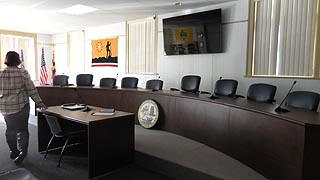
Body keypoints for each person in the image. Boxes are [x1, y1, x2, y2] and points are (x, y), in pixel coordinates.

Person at [0, 51, 47, 164]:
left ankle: (14, 150)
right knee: (22, 130)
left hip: (6, 108)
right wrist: (40, 103)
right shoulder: (23, 72)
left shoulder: (1, 73)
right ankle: (22, 152)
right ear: (17, 60)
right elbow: (31, 90)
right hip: (21, 107)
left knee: (10, 129)